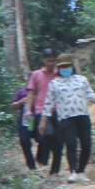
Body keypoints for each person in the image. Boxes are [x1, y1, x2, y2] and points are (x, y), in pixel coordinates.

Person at [46, 56, 95, 182]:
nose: (65, 69)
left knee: (86, 144)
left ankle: (81, 170)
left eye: (67, 66)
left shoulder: (82, 80)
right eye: (62, 66)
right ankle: (73, 171)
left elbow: (90, 94)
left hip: (83, 116)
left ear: (72, 66)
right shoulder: (54, 83)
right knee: (71, 144)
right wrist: (43, 121)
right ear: (58, 68)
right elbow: (48, 103)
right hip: (66, 118)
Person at [27, 48, 64, 176]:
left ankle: (55, 171)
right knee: (48, 134)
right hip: (41, 111)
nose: (51, 63)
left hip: (58, 111)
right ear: (44, 60)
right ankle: (42, 160)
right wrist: (28, 110)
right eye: (49, 61)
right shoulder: (36, 75)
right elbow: (31, 93)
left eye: (54, 61)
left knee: (59, 141)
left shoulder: (60, 74)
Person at [9, 83, 38, 173]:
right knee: (25, 142)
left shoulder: (40, 91)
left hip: (38, 121)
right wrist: (21, 101)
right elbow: (13, 106)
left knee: (43, 140)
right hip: (24, 122)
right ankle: (32, 166)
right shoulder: (21, 92)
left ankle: (41, 158)